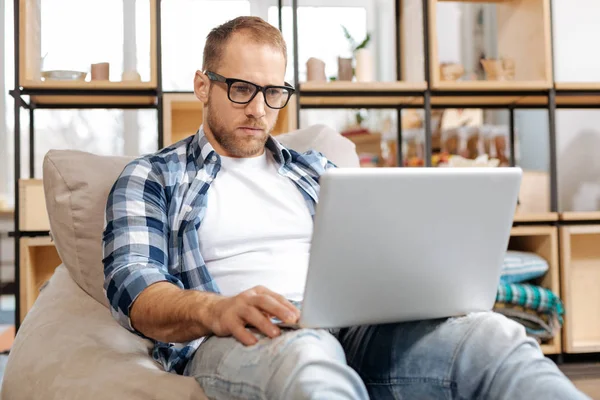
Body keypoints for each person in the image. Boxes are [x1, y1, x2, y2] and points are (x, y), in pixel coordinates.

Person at [102, 15, 588, 400]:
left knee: (492, 337)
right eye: (241, 89)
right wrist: (216, 309)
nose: (258, 109)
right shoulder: (154, 176)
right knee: (312, 359)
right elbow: (134, 290)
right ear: (202, 86)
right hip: (243, 338)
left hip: (358, 328)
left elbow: (378, 254)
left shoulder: (317, 170)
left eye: (274, 93)